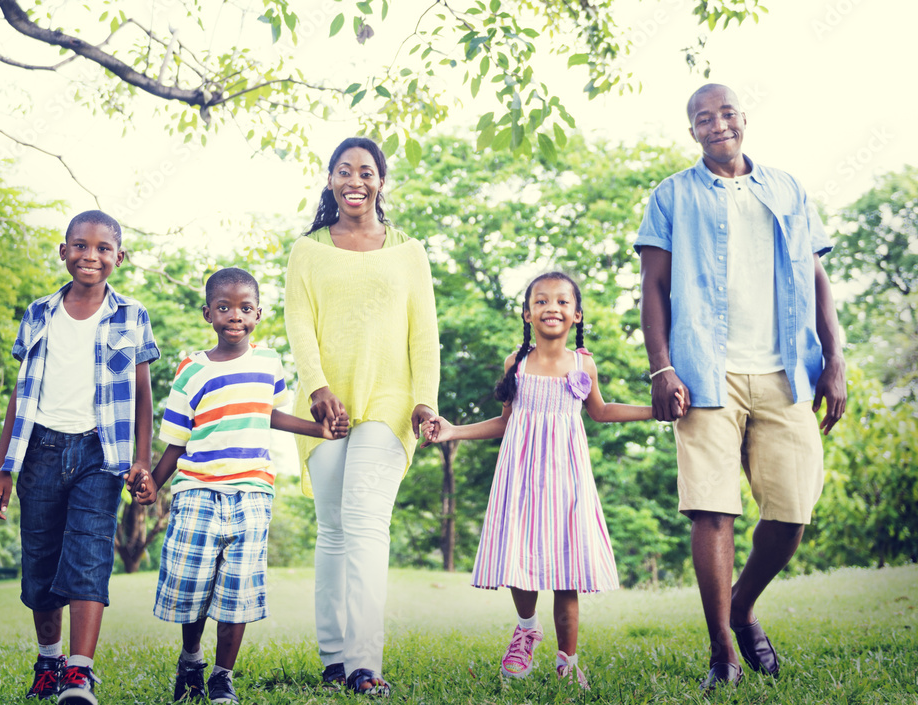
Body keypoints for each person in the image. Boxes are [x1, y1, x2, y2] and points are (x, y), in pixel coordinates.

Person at [635, 83, 847, 692]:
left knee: (792, 511)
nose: (718, 123)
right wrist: (661, 367)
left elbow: (816, 277)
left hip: (786, 369)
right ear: (693, 131)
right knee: (712, 508)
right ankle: (722, 649)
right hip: (705, 370)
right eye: (705, 118)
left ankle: (741, 605)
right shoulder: (671, 196)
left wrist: (834, 356)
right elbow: (653, 286)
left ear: (744, 119)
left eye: (727, 113)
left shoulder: (786, 188)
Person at [422, 272, 685, 690]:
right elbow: (505, 423)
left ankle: (568, 659)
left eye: (562, 302)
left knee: (567, 568)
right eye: (541, 301)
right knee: (520, 558)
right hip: (520, 477)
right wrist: (453, 430)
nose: (552, 308)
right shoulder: (517, 363)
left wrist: (653, 411)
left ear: (576, 314)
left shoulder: (584, 364)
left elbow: (600, 412)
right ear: (527, 313)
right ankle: (526, 629)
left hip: (567, 478)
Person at [134, 267, 348, 704]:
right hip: (196, 491)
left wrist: (316, 430)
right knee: (192, 585)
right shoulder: (191, 370)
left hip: (252, 493)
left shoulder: (269, 362)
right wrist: (154, 484)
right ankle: (191, 661)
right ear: (207, 313)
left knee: (237, 589)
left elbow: (268, 414)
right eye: (225, 307)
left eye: (245, 308)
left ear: (258, 314)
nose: (236, 315)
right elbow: (177, 441)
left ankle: (221, 677)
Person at [283, 136, 440, 697]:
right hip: (324, 405)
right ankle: (333, 656)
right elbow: (299, 325)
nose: (355, 180)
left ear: (380, 181)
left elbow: (424, 334)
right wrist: (318, 388)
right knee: (333, 531)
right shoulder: (308, 250)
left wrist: (426, 399)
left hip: (391, 400)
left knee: (367, 524)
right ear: (330, 181)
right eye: (344, 170)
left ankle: (364, 663)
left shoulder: (408, 251)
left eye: (366, 171)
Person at [0, 210, 160, 705]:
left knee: (88, 555)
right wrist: (3, 468)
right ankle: (49, 659)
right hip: (39, 448)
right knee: (40, 563)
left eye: (103, 248)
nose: (91, 256)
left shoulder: (132, 315)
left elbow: (142, 395)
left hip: (100, 453)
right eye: (80, 246)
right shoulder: (39, 312)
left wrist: (141, 461)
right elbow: (20, 395)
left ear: (118, 258)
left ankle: (79, 674)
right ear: (64, 252)